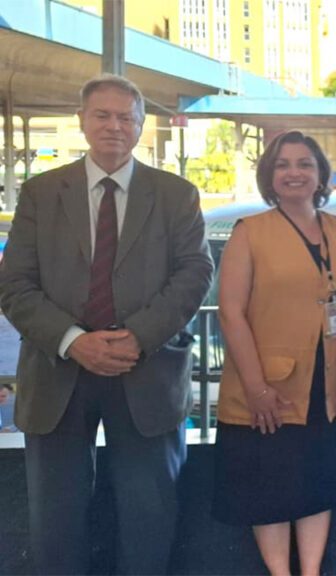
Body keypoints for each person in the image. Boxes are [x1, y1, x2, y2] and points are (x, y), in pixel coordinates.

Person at [0, 73, 213, 574]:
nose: (114, 126)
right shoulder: (41, 192)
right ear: (82, 120)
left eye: (125, 117)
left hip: (147, 372)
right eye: (102, 115)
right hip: (57, 375)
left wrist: (137, 337)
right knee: (57, 524)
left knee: (148, 519)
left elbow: (196, 273)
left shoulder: (177, 194)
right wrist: (74, 341)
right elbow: (14, 284)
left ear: (140, 125)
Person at [213, 130, 336, 576]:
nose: (293, 173)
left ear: (320, 175)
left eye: (304, 164)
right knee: (269, 488)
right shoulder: (250, 232)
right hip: (271, 388)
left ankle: (311, 570)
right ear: (269, 176)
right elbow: (231, 312)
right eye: (282, 165)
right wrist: (256, 388)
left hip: (330, 384)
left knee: (321, 481)